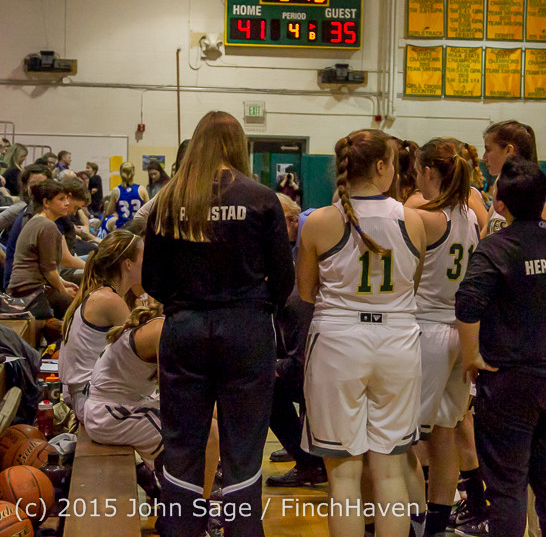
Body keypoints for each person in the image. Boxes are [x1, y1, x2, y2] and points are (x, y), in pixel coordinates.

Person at [142, 111, 294, 537]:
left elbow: (151, 279)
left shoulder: (169, 200)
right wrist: (251, 304)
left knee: (182, 448)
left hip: (184, 328)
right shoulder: (262, 198)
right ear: (237, 145)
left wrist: (187, 304)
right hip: (245, 330)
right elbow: (285, 279)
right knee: (243, 451)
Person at [297, 128, 425, 537]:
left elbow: (305, 292)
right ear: (383, 167)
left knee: (344, 477)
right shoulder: (415, 221)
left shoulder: (317, 221)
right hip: (398, 343)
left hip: (338, 343)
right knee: (389, 473)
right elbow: (412, 284)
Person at [455, 157, 546, 537]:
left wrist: (472, 357)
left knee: (508, 487)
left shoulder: (497, 247)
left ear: (500, 205)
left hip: (514, 383)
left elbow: (467, 304)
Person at [411, 138, 479, 537]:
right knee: (446, 433)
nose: (415, 179)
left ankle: (410, 520)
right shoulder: (470, 215)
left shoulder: (423, 216)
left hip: (427, 331)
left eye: (418, 171)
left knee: (407, 436)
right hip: (460, 331)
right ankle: (436, 522)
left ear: (430, 172)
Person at [83, 303, 221, 502]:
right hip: (109, 413)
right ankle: (197, 512)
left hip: (126, 405)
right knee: (209, 434)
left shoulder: (166, 327)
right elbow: (178, 397)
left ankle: (179, 499)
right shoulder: (161, 332)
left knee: (209, 425)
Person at [265, 193, 327, 488]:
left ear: (290, 221)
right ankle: (305, 449)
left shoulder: (300, 269)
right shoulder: (295, 255)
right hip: (315, 357)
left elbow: (302, 357)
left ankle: (308, 459)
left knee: (266, 383)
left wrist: (274, 366)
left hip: (315, 363)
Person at [59, 229, 143, 423]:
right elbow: (140, 353)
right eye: (144, 257)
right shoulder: (109, 301)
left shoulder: (103, 293)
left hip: (86, 396)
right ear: (128, 264)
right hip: (92, 402)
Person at [7, 180, 78, 318]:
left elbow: (46, 268)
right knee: (73, 305)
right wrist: (63, 290)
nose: (67, 203)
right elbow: (49, 270)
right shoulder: (47, 226)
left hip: (24, 288)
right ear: (46, 203)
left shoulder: (36, 221)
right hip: (30, 292)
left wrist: (63, 283)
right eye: (61, 199)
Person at [480, 120, 546, 235]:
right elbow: (483, 240)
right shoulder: (499, 192)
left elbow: (537, 248)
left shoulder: (533, 200)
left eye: (488, 149)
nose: (484, 158)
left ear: (508, 151)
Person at [106, 162, 149, 231]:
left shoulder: (116, 191)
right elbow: (149, 210)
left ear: (120, 173)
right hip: (138, 229)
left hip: (122, 228)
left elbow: (109, 211)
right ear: (134, 173)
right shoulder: (142, 189)